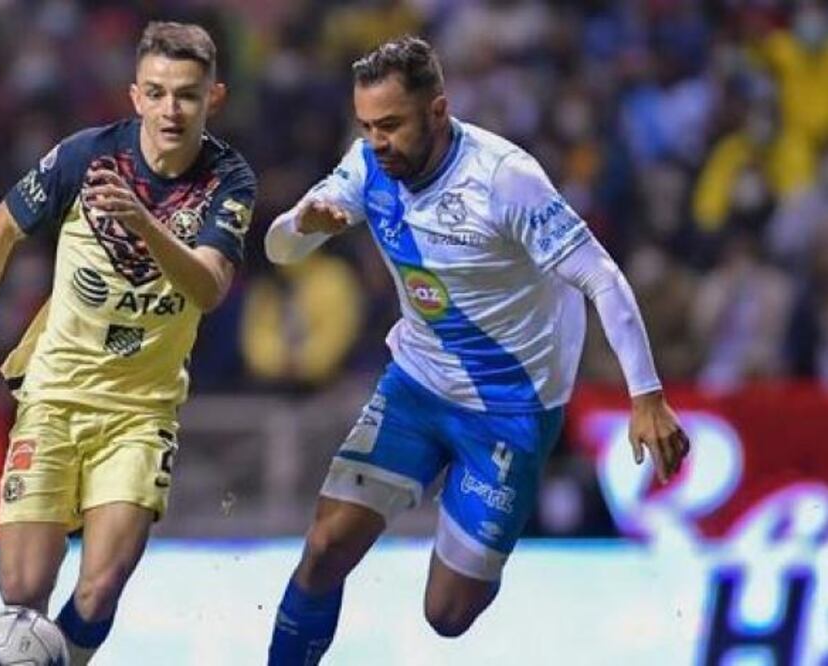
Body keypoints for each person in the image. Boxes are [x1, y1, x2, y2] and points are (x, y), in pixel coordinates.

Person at [264, 36, 690, 663]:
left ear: (438, 110)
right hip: (417, 385)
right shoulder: (365, 167)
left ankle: (474, 497)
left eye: (391, 124)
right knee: (326, 548)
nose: (378, 142)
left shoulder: (505, 180)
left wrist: (646, 395)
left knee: (448, 614)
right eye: (367, 126)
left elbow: (602, 277)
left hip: (511, 408)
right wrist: (303, 227)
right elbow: (278, 248)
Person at [0, 21, 256, 665]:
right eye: (157, 93)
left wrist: (145, 224)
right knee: (21, 591)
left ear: (213, 98)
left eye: (187, 95)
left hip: (141, 411)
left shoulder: (229, 180)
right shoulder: (86, 157)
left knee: (100, 587)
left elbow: (208, 287)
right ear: (135, 95)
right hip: (53, 397)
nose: (171, 109)